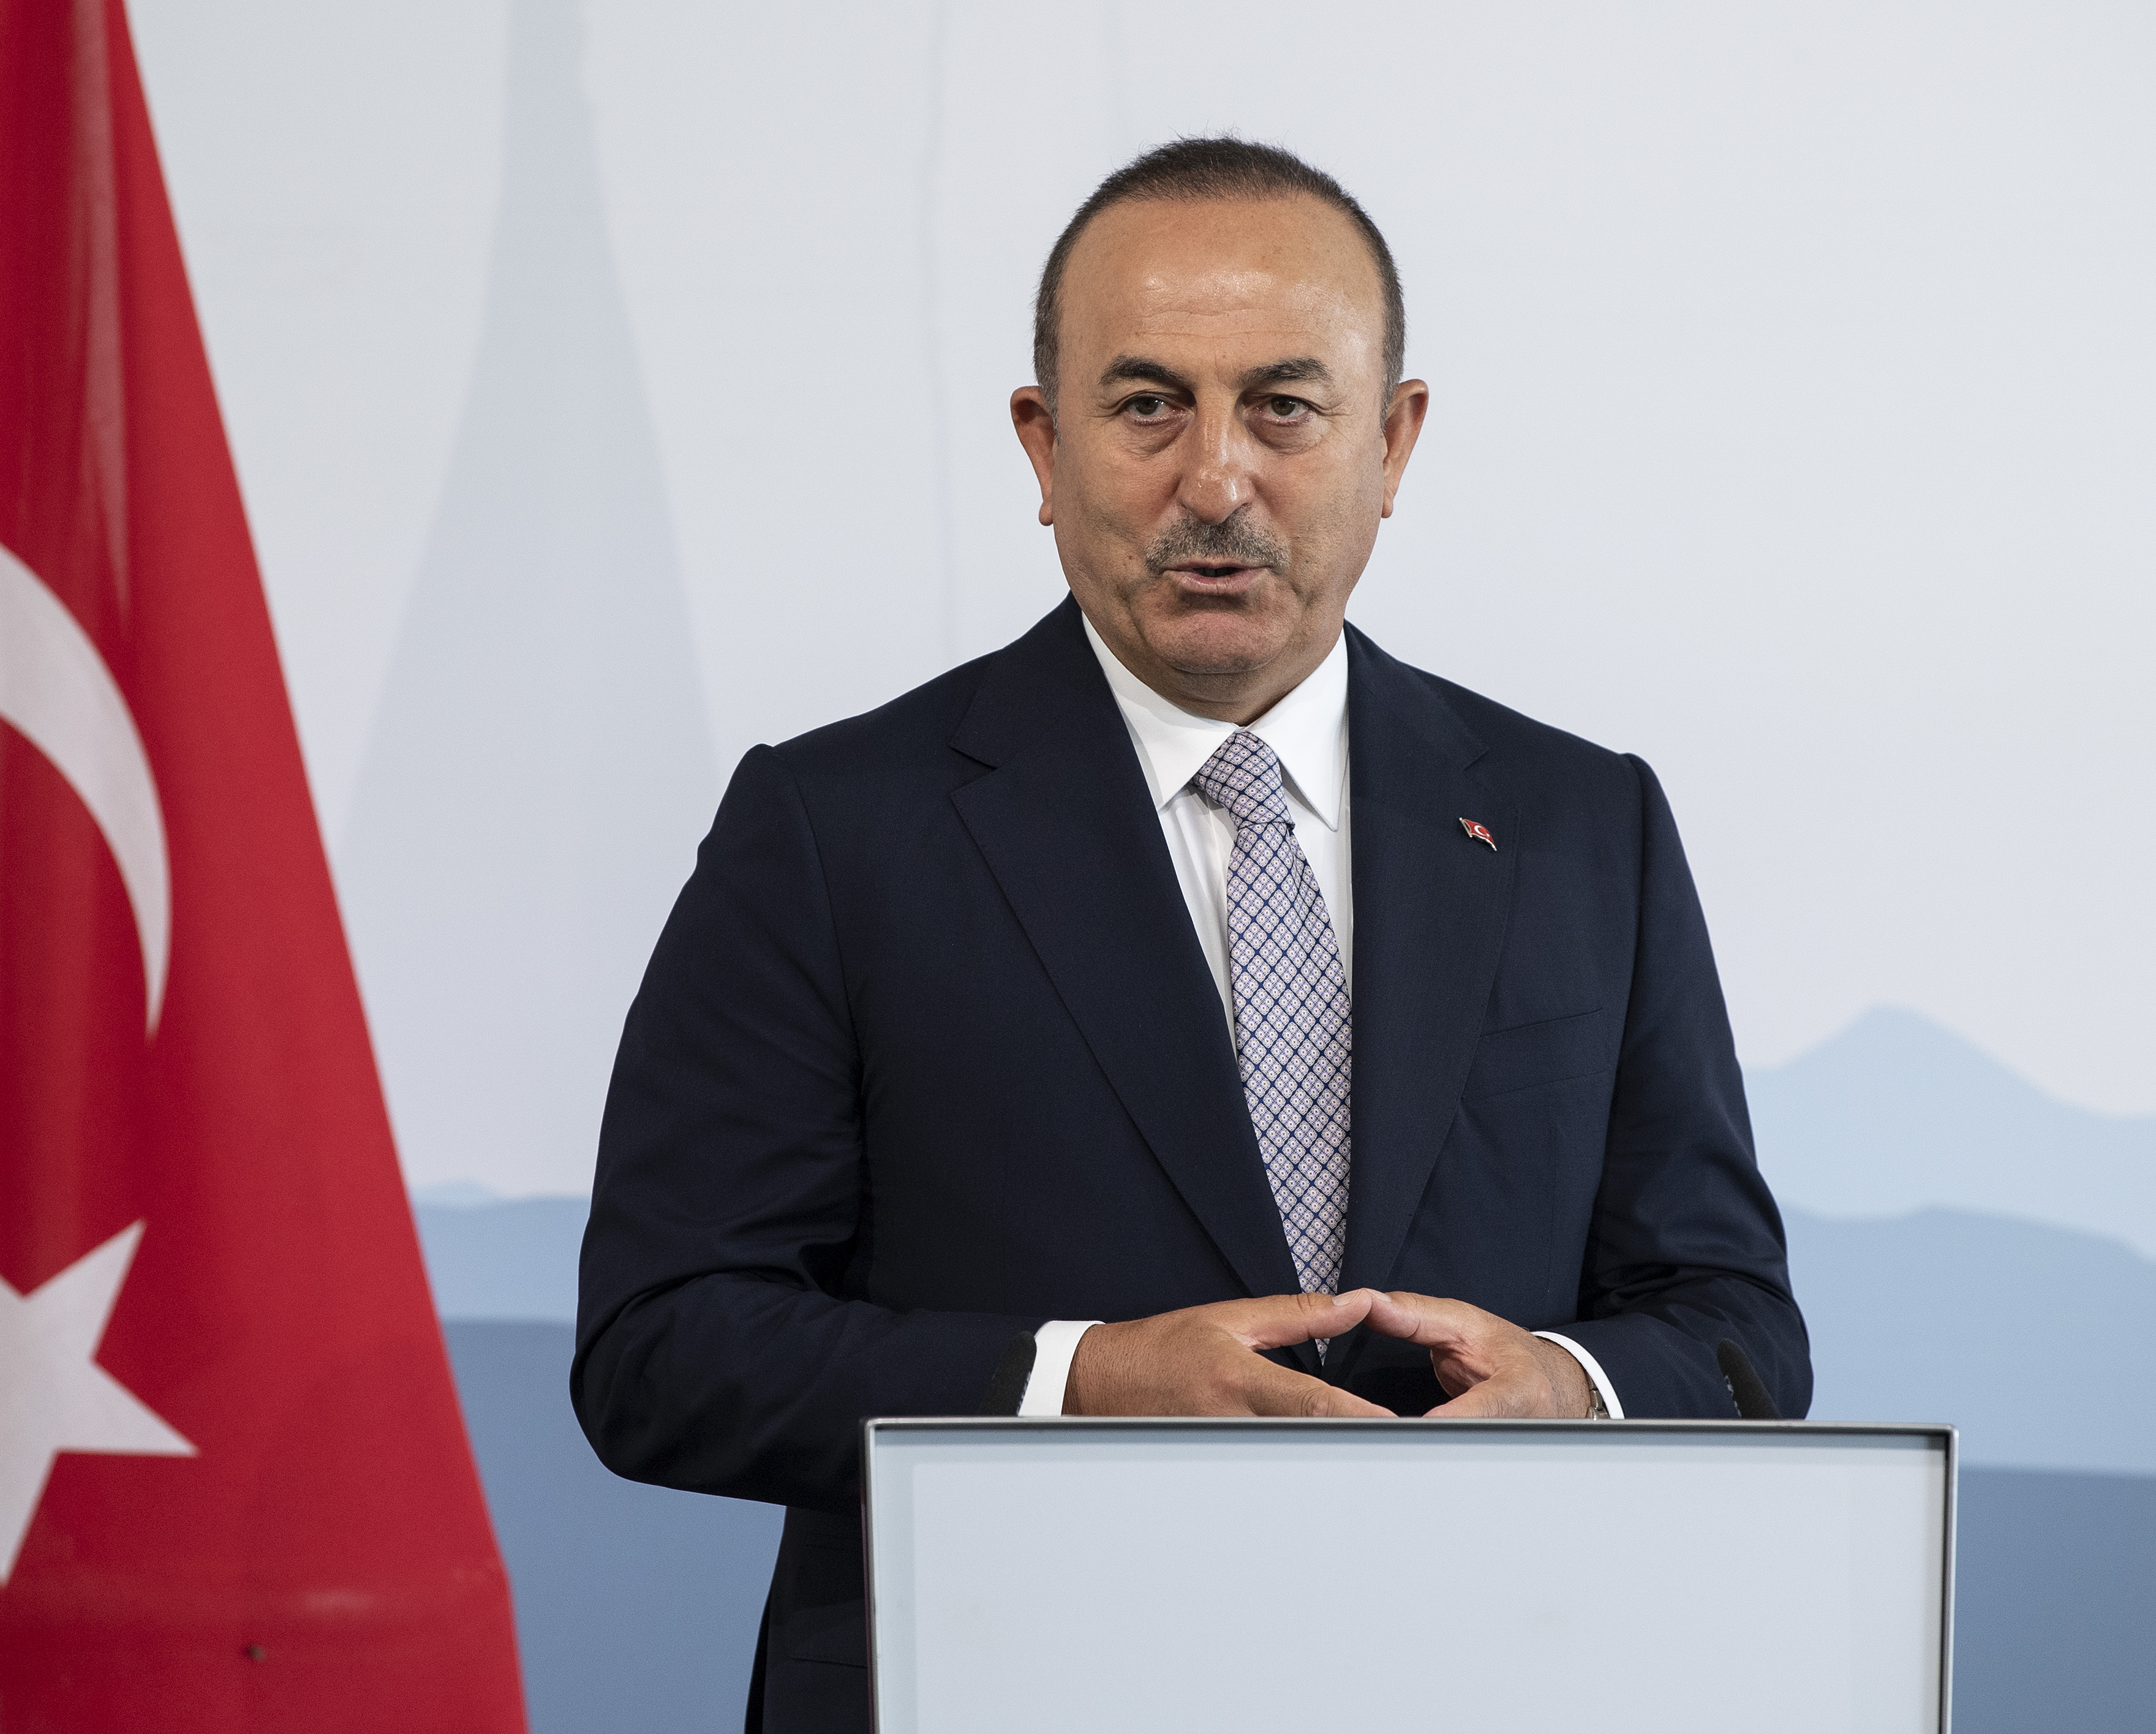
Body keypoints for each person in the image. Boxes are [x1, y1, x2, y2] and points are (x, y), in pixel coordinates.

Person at [572, 137, 1807, 1733]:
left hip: (1483, 1678)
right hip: (999, 1685)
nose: (1216, 478)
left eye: (1285, 407)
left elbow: (1734, 1323)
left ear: (1395, 439)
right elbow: (665, 1350)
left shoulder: (1587, 828)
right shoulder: (830, 831)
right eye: (1148, 403)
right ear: (1042, 441)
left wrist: (1572, 1388)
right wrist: (1081, 1385)